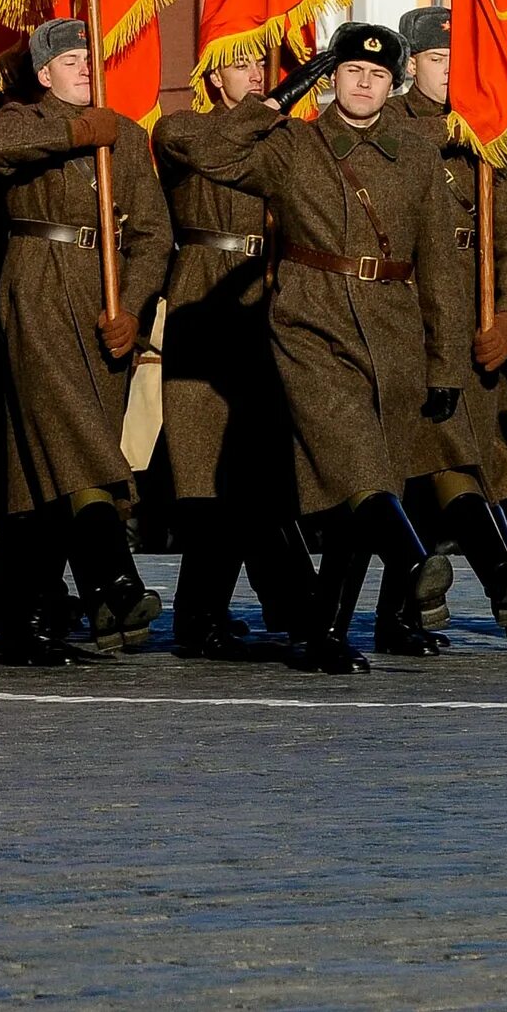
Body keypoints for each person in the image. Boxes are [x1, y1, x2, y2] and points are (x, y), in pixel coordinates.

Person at [156, 22, 466, 673]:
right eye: (352, 69)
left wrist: (445, 363)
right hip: (311, 325)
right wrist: (271, 103)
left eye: (378, 74)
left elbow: (440, 265)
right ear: (331, 78)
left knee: (357, 486)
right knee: (355, 460)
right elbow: (194, 147)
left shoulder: (415, 154)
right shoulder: (294, 144)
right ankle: (412, 559)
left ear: (394, 83)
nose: (364, 82)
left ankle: (325, 631)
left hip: (393, 332)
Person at [0, 19, 175, 664]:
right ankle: (113, 577)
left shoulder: (127, 134)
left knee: (47, 457)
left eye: (93, 58)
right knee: (70, 438)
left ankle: (25, 612)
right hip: (37, 285)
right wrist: (72, 133)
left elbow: (151, 234)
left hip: (104, 300)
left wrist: (134, 306)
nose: (86, 68)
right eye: (71, 61)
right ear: (44, 74)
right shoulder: (23, 120)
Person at [389, 8, 507, 640]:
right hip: (412, 313)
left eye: (462, 61)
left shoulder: (492, 137)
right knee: (441, 450)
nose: (452, 73)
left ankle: (405, 610)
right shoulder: (395, 124)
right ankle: (503, 576)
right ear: (411, 67)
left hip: (478, 316)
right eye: (438, 60)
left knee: (445, 463)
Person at [149, 44, 314, 657]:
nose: (254, 75)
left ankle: (239, 608)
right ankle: (214, 613)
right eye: (239, 64)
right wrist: (269, 109)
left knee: (257, 464)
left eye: (258, 66)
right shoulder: (182, 127)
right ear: (212, 77)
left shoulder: (279, 137)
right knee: (207, 467)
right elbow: (207, 149)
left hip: (267, 295)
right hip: (204, 290)